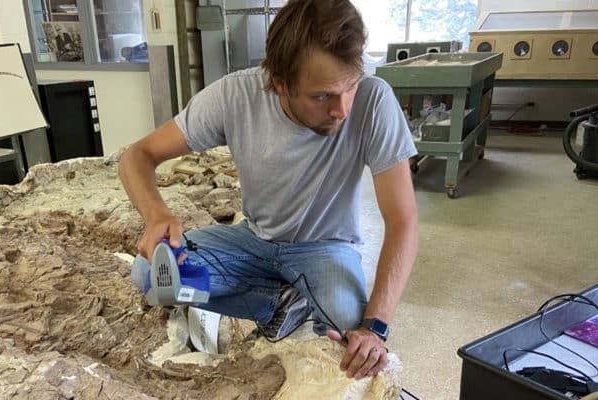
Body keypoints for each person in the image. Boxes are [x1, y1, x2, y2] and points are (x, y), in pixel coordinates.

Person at [119, 0, 418, 380]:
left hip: (326, 247)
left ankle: (297, 300)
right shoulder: (234, 97)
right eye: (322, 96)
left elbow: (402, 219)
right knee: (152, 276)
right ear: (280, 83)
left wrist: (375, 327)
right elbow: (138, 155)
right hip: (253, 241)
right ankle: (277, 304)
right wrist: (155, 213)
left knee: (349, 343)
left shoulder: (375, 101)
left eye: (350, 87)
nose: (341, 110)